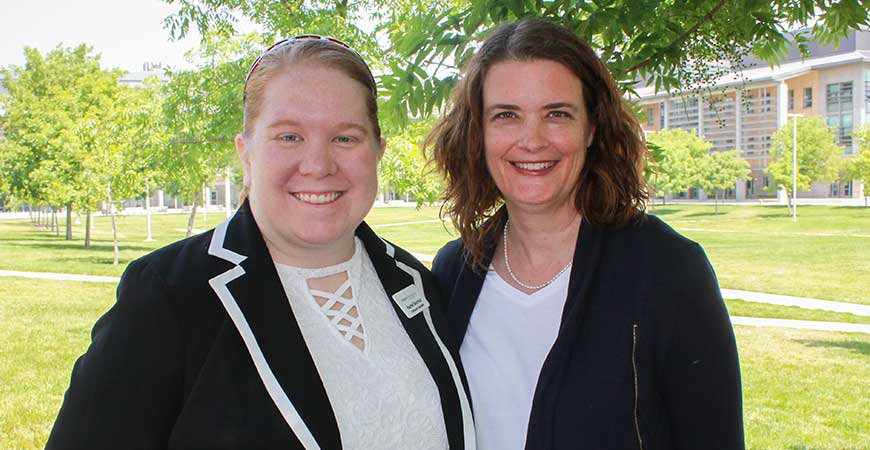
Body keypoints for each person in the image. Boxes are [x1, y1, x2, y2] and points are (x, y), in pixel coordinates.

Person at [46, 35, 474, 450]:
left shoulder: (416, 282)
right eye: (289, 136)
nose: (318, 164)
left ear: (377, 152)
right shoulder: (167, 297)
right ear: (245, 152)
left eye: (345, 137)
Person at [429, 19, 743, 450]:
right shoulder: (453, 271)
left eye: (557, 114)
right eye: (506, 115)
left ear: (592, 128)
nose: (532, 140)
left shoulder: (668, 271)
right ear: (478, 133)